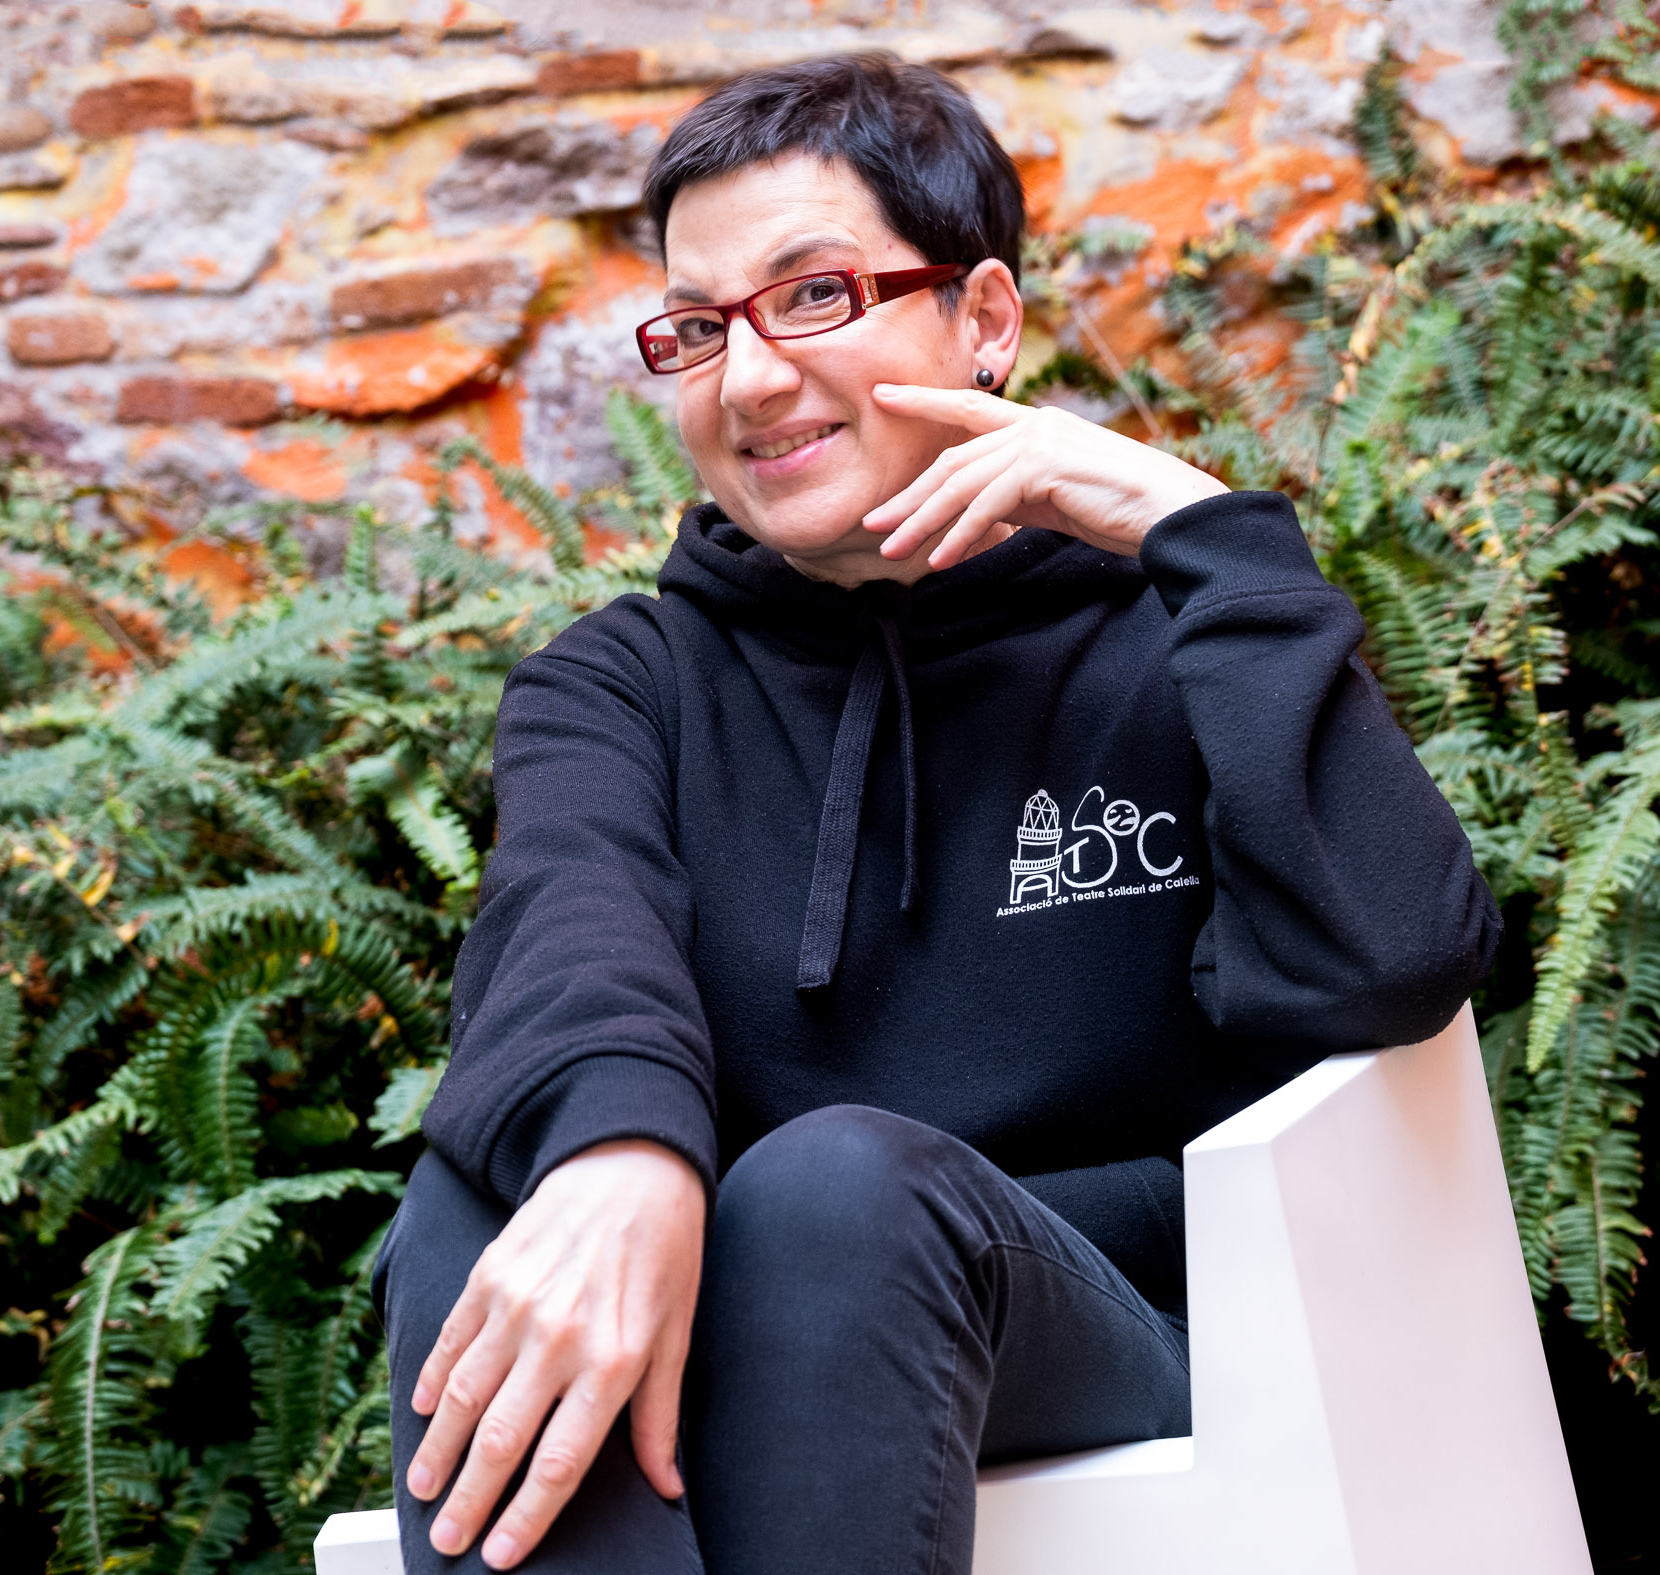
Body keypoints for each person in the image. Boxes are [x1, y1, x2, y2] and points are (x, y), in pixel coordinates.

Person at [370, 51, 1501, 1575]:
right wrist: (621, 1152)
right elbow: (571, 927)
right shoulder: (623, 681)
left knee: (833, 1186)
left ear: (983, 321)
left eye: (813, 295)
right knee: (490, 1193)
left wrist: (1205, 538)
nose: (747, 380)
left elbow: (1389, 965)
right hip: (733, 1330)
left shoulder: (1183, 642)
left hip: (1123, 1332)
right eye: (698, 328)